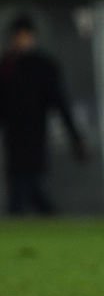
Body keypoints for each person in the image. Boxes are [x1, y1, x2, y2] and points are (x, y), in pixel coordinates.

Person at [0, 15, 87, 215]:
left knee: (25, 185)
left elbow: (61, 104)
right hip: (13, 136)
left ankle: (34, 216)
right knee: (25, 185)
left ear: (32, 37)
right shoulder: (6, 66)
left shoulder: (44, 66)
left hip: (36, 134)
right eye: (17, 36)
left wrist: (75, 137)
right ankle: (48, 216)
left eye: (24, 36)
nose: (20, 40)